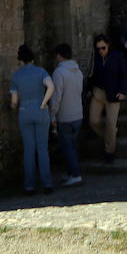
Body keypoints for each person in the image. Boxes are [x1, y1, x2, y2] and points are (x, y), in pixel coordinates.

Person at [9, 44, 54, 194]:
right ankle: (47, 184)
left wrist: (14, 107)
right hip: (41, 111)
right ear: (33, 59)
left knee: (29, 150)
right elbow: (51, 86)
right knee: (42, 149)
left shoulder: (16, 76)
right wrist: (43, 102)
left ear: (20, 60)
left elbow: (14, 101)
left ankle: (29, 186)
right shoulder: (41, 72)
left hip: (24, 112)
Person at [88, 34, 127, 163]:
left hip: (113, 93)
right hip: (99, 92)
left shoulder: (117, 56)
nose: (101, 50)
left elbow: (124, 74)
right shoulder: (96, 57)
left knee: (111, 123)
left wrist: (123, 91)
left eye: (103, 48)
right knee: (93, 121)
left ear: (108, 45)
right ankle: (110, 137)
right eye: (98, 48)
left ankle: (109, 151)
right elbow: (92, 74)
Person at [49, 43, 85, 186]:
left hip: (65, 116)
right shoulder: (78, 71)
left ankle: (75, 174)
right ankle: (72, 172)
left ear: (59, 56)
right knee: (73, 146)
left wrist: (52, 115)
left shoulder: (59, 73)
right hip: (78, 114)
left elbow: (56, 97)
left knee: (67, 147)